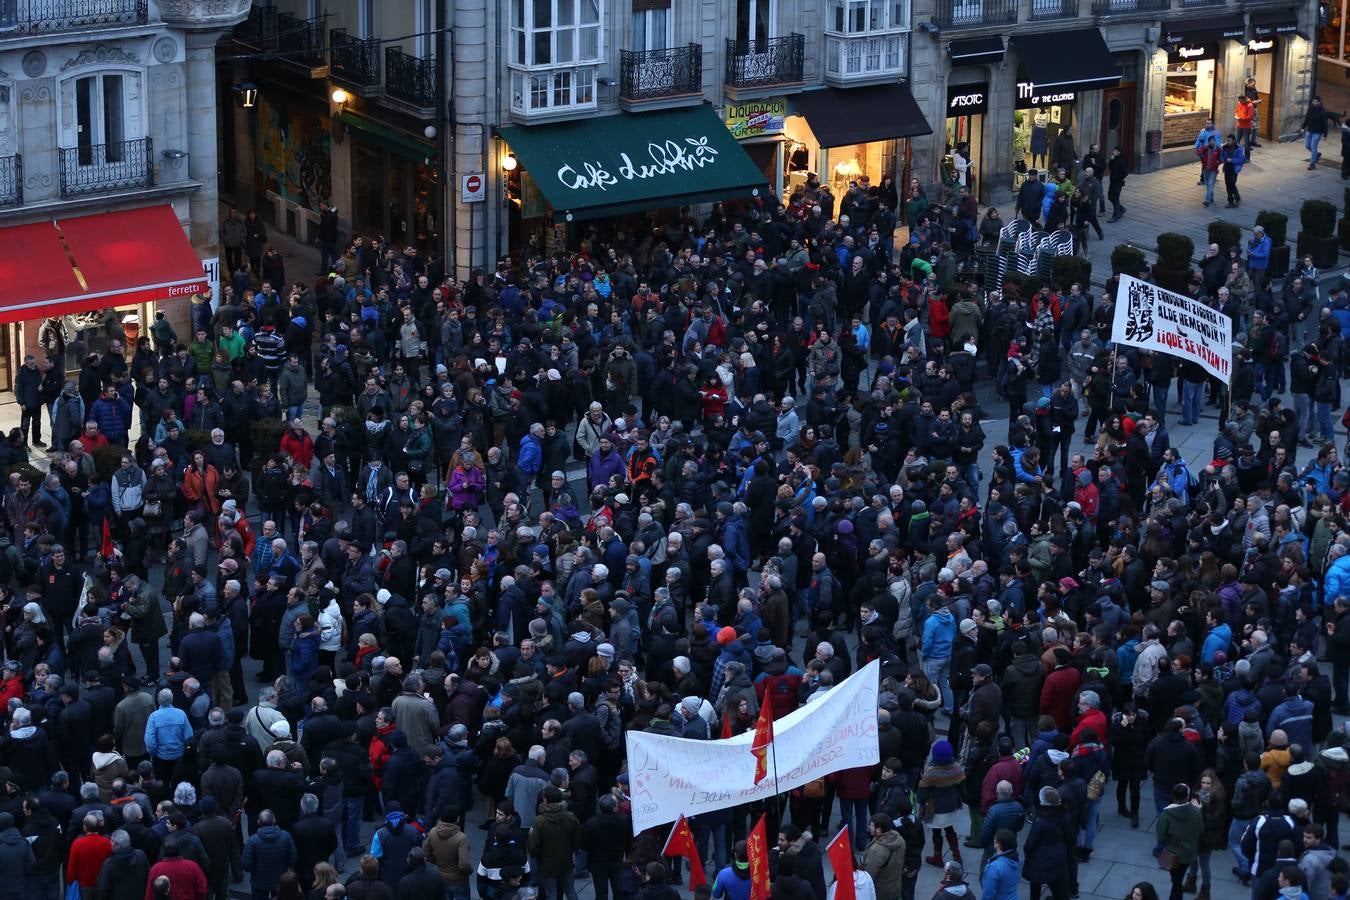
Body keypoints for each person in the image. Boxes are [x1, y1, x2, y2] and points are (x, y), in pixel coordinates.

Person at [1157, 783, 1203, 900]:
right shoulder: (1196, 812)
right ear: (1187, 797)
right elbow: (1201, 829)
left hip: (1173, 854)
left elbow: (1161, 837)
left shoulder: (1166, 815)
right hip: (1188, 853)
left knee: (1176, 880)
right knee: (1179, 877)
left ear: (1173, 796)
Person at [1304, 95, 1329, 170]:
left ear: (1319, 102)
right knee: (1307, 145)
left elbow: (1325, 123)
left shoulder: (1322, 111)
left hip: (1317, 132)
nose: (1313, 102)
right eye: (1313, 101)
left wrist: (1325, 134)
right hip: (1310, 130)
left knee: (1314, 146)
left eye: (1315, 101)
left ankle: (1312, 164)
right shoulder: (1310, 108)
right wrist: (1302, 127)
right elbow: (1307, 118)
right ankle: (1317, 154)